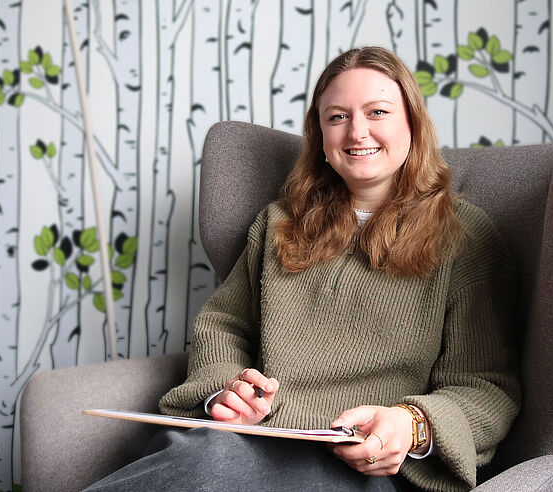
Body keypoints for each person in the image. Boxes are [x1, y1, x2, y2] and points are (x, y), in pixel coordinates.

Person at [85, 46, 520, 492]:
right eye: (337, 117)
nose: (357, 131)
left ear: (412, 121)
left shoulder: (464, 235)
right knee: (199, 453)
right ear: (320, 134)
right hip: (248, 440)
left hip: (363, 467)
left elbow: (487, 387)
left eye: (378, 112)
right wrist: (228, 393)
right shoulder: (279, 223)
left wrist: (412, 424)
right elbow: (223, 326)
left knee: (212, 462)